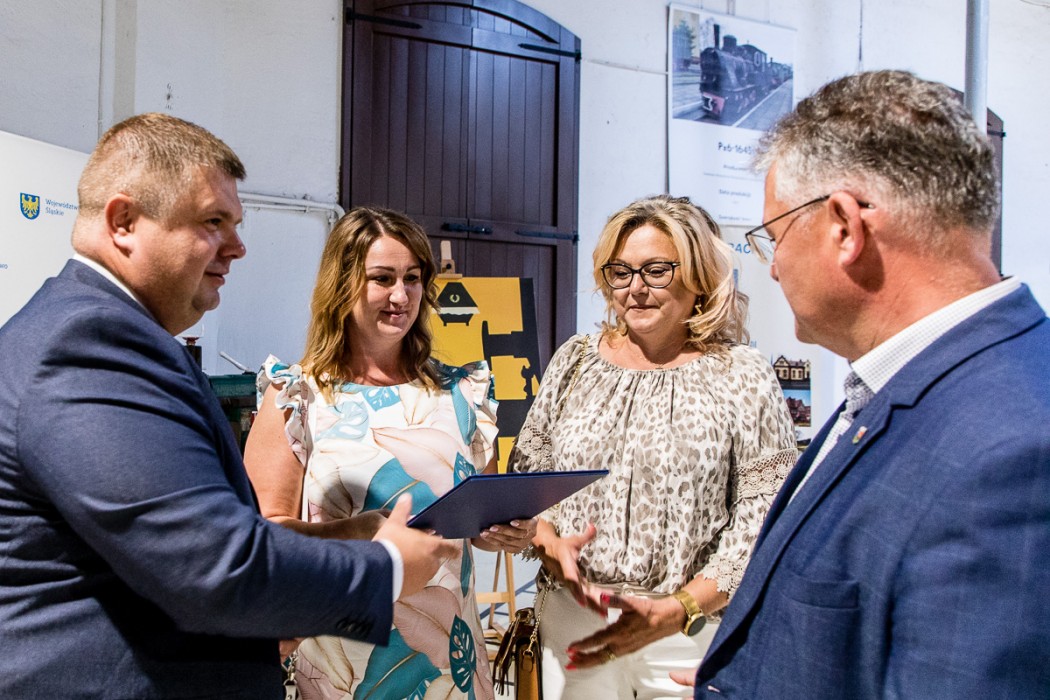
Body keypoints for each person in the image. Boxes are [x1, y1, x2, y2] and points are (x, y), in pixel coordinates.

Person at [0, 113, 458, 699]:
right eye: (213, 222)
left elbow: (185, 537)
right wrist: (386, 568)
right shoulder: (90, 345)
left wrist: (343, 535)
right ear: (123, 222)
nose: (238, 248)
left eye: (236, 225)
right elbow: (213, 566)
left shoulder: (112, 335)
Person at [693, 70, 1050, 698]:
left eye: (773, 238)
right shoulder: (907, 382)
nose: (772, 268)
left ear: (844, 227)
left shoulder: (1010, 454)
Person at [507, 194, 798, 699]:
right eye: (620, 272)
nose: (635, 288)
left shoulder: (742, 374)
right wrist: (548, 542)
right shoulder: (575, 361)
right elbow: (530, 480)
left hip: (689, 634)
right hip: (573, 624)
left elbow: (764, 517)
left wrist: (681, 608)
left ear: (698, 276)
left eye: (657, 271)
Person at [243, 206, 537, 699]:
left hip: (451, 662)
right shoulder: (298, 395)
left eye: (412, 278)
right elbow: (264, 537)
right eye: (382, 279)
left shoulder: (462, 393)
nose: (401, 296)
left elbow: (480, 524)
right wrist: (359, 531)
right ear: (342, 285)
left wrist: (508, 531)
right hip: (343, 661)